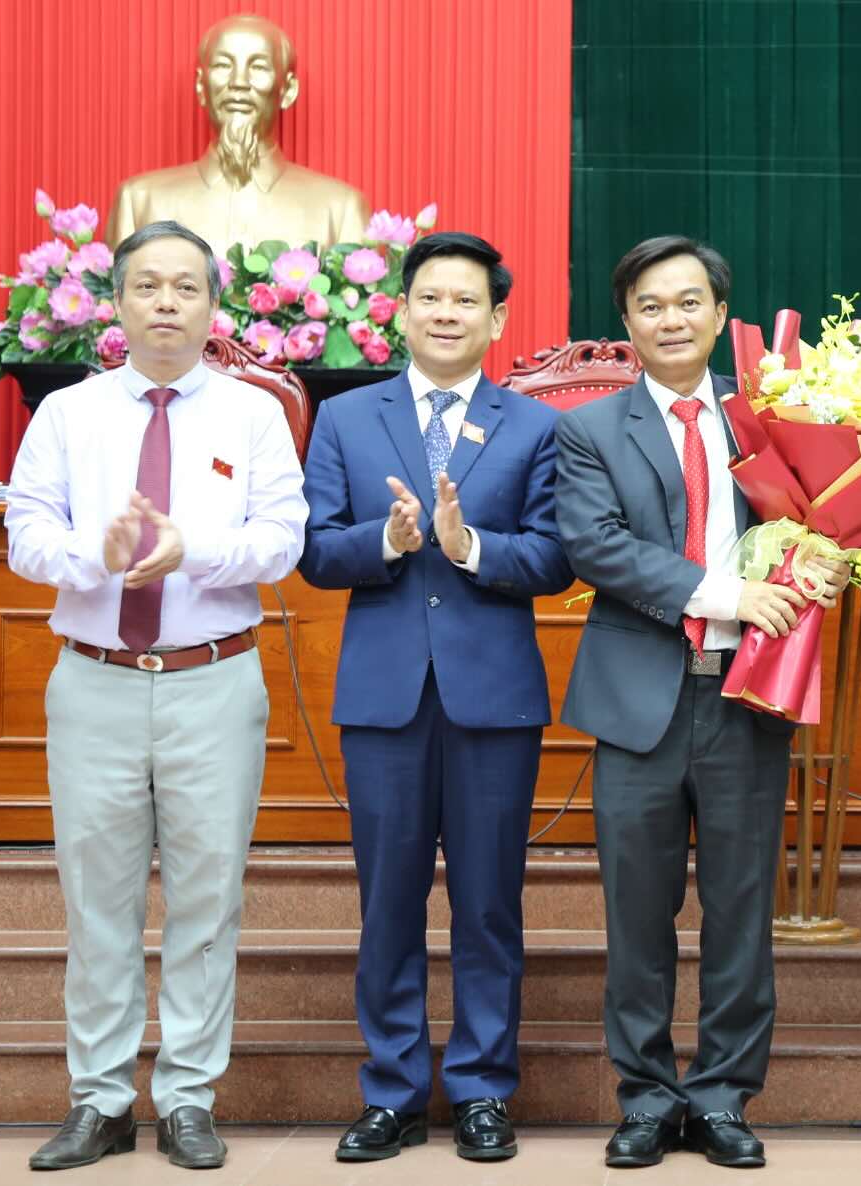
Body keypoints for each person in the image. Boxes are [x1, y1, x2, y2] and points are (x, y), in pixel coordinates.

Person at [5, 220, 308, 1171]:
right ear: (120, 304)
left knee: (207, 898)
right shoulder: (69, 413)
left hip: (212, 681)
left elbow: (285, 537)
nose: (167, 303)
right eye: (148, 286)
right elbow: (23, 535)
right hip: (92, 683)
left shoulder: (253, 414)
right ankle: (99, 1101)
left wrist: (200, 552)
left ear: (215, 306)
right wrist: (92, 558)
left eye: (186, 287)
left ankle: (186, 1097)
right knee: (97, 902)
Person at [553, 236, 845, 1170]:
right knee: (636, 916)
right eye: (650, 305)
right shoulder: (591, 429)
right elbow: (595, 546)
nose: (670, 320)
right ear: (627, 321)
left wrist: (827, 559)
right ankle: (643, 1097)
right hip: (640, 699)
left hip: (745, 697)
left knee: (739, 909)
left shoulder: (775, 420)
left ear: (722, 316)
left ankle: (722, 1096)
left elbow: (821, 517)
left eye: (689, 303)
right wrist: (724, 594)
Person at [299, 231, 573, 1163]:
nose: (446, 314)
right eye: (430, 298)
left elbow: (554, 558)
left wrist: (467, 548)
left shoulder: (534, 425)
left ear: (496, 318)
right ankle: (392, 1092)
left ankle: (484, 1088)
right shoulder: (346, 418)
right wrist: (388, 537)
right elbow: (314, 551)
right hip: (383, 699)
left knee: (491, 903)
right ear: (401, 312)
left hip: (493, 700)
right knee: (390, 902)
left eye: (466, 301)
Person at [106, 13, 369, 255]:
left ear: (288, 90)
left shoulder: (340, 209)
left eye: (258, 67)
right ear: (201, 86)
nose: (238, 82)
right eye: (223, 65)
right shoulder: (139, 201)